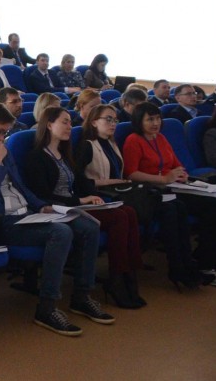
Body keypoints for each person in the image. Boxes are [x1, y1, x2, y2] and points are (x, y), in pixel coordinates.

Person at [0, 100, 113, 337]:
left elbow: (21, 187)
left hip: (28, 213)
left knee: (87, 225)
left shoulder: (1, 148)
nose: (1, 138)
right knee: (61, 232)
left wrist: (43, 206)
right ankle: (47, 308)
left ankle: (82, 296)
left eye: (5, 133)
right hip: (1, 222)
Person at [24, 107, 145, 308]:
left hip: (74, 204)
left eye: (70, 122)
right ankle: (115, 280)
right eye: (64, 122)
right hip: (60, 209)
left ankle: (129, 277)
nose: (69, 126)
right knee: (118, 218)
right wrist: (81, 200)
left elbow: (80, 182)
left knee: (128, 211)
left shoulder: (64, 153)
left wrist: (95, 195)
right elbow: (42, 195)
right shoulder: (36, 157)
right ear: (49, 125)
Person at [76, 104, 205, 289]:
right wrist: (112, 181)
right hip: (106, 196)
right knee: (169, 209)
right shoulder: (87, 146)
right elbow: (79, 181)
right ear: (94, 122)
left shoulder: (111, 144)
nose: (113, 124)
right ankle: (177, 268)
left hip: (124, 192)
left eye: (115, 120)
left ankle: (187, 264)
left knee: (178, 206)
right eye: (108, 119)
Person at [122, 102, 216, 288]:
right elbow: (131, 173)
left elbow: (177, 164)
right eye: (150, 119)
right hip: (155, 190)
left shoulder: (160, 138)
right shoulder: (133, 140)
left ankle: (205, 258)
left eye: (158, 119)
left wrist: (181, 173)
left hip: (177, 186)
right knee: (214, 208)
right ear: (139, 121)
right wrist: (163, 179)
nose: (155, 123)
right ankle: (203, 264)